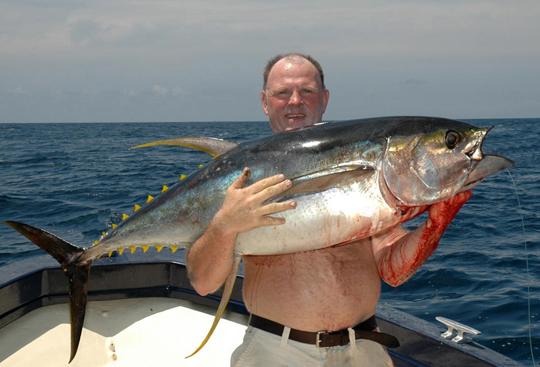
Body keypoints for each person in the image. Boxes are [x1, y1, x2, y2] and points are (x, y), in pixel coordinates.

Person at [186, 53, 471, 366]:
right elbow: (203, 283)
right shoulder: (241, 182)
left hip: (363, 347)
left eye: (306, 91)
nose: (295, 101)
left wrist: (436, 224)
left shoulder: (371, 181)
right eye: (283, 93)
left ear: (324, 99)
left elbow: (393, 271)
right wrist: (224, 225)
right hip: (276, 351)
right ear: (265, 102)